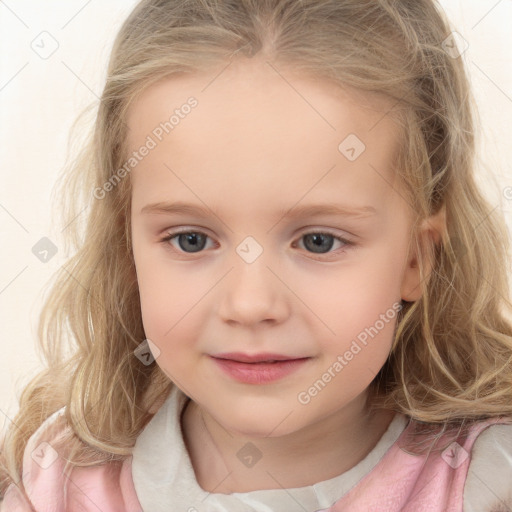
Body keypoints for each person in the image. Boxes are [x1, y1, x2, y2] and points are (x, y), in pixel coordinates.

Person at [1, 0, 512, 510]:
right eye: (191, 240)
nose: (249, 304)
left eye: (319, 242)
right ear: (127, 248)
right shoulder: (57, 483)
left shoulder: (488, 485)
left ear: (415, 259)